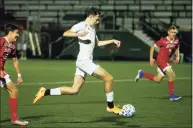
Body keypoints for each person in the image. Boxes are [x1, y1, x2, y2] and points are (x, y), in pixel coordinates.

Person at [33, 7, 122, 115]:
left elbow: (97, 43)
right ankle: (110, 106)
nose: (99, 21)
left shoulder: (92, 28)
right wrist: (79, 34)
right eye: (97, 18)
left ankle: (45, 92)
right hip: (85, 62)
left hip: (83, 61)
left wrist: (112, 41)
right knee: (109, 78)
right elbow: (66, 33)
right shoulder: (82, 25)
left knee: (74, 90)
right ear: (90, 16)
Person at [135, 25, 182, 101]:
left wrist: (178, 57)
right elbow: (152, 47)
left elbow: (176, 48)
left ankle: (142, 74)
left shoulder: (176, 40)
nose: (173, 33)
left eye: (175, 32)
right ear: (168, 32)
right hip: (160, 60)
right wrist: (151, 58)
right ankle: (172, 96)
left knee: (158, 79)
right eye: (172, 32)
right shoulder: (163, 40)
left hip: (166, 61)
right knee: (172, 74)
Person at [0, 24, 29, 126]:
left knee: (14, 91)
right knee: (14, 90)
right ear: (10, 32)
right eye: (16, 33)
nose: (18, 35)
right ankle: (14, 119)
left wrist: (19, 75)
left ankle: (14, 119)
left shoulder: (12, 45)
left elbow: (15, 60)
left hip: (1, 71)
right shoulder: (1, 41)